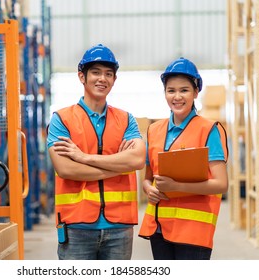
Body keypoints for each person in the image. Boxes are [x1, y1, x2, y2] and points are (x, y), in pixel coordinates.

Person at [46, 44, 146, 260]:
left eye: (109, 74)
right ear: (82, 76)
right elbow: (65, 169)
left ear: (114, 80)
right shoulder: (61, 120)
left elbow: (137, 159)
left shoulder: (126, 119)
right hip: (76, 226)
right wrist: (119, 166)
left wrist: (83, 157)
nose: (103, 79)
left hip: (120, 227)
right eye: (96, 72)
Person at [138, 57, 229, 260]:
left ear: (196, 92)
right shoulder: (154, 130)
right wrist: (148, 189)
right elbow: (147, 177)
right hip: (159, 228)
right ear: (165, 93)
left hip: (193, 232)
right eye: (171, 90)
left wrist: (176, 185)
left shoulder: (208, 130)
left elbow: (221, 184)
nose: (177, 96)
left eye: (184, 90)